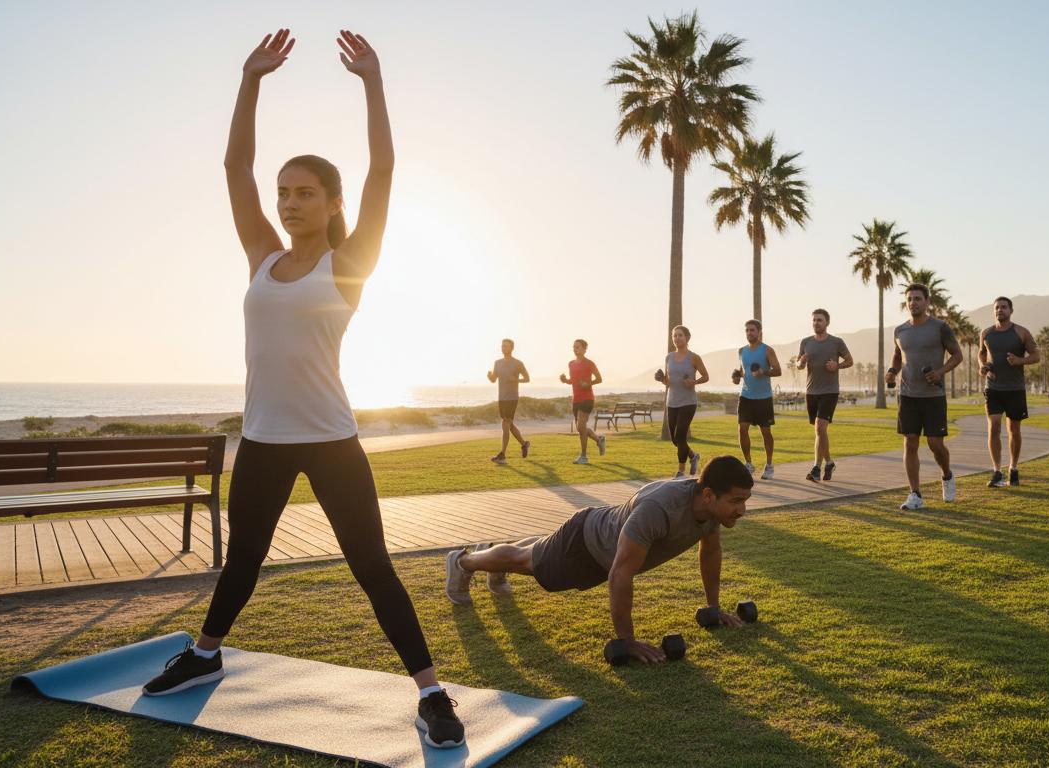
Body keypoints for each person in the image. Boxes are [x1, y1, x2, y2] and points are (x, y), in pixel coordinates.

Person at [140, 30, 465, 749]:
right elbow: (234, 165)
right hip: (262, 440)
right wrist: (250, 79)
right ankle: (204, 654)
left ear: (330, 202)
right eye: (283, 193)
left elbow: (384, 167)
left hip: (331, 441)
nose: (288, 203)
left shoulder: (350, 263)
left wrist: (372, 83)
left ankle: (432, 694)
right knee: (245, 559)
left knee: (372, 567)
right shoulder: (261, 255)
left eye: (303, 193)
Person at [445, 457, 754, 664]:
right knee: (527, 562)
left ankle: (492, 559)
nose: (741, 510)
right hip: (585, 543)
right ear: (709, 494)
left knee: (531, 555)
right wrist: (627, 641)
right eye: (736, 501)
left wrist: (714, 607)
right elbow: (620, 575)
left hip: (602, 547)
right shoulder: (659, 510)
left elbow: (710, 552)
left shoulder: (712, 512)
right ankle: (464, 562)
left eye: (745, 501)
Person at [885, 283, 963, 510]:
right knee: (910, 443)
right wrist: (892, 370)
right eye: (910, 299)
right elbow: (898, 356)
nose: (913, 303)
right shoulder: (900, 330)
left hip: (933, 395)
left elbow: (957, 355)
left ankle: (947, 476)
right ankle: (915, 494)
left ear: (927, 302)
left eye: (918, 299)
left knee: (935, 445)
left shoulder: (940, 328)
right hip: (908, 395)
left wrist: (939, 372)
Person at [978, 297, 1040, 488]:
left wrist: (1019, 361)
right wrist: (983, 366)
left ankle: (1013, 468)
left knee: (1014, 429)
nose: (1000, 310)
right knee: (994, 428)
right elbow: (981, 353)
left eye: (1004, 307)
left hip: (1014, 388)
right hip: (993, 387)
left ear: (1011, 311)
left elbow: (1036, 356)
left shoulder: (1021, 332)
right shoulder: (986, 333)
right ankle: (997, 471)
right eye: (997, 308)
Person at [794, 309, 853, 482]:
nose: (816, 323)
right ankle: (829, 462)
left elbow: (850, 361)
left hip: (830, 391)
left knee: (820, 428)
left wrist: (837, 366)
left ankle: (816, 468)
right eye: (813, 320)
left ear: (827, 323)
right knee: (821, 432)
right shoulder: (805, 342)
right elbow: (798, 365)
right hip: (811, 392)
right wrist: (801, 362)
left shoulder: (836, 342)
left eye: (819, 320)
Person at [660, 325, 710, 479]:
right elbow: (668, 381)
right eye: (674, 336)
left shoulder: (693, 357)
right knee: (675, 439)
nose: (676, 338)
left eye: (680, 335)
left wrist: (694, 382)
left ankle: (681, 471)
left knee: (680, 435)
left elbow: (706, 376)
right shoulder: (668, 357)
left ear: (687, 338)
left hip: (688, 402)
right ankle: (693, 456)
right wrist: (663, 379)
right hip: (672, 402)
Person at [735, 319, 781, 480]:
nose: (749, 333)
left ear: (759, 332)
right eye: (747, 330)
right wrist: (736, 377)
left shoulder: (767, 350)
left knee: (766, 432)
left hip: (764, 398)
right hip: (746, 396)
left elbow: (778, 370)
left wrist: (763, 372)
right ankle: (748, 464)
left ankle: (769, 465)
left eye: (752, 330)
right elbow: (743, 372)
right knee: (742, 429)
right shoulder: (741, 351)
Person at [560, 339, 606, 464]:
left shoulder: (589, 363)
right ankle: (599, 440)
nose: (575, 349)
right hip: (576, 399)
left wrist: (588, 384)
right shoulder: (571, 364)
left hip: (587, 398)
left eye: (578, 347)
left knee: (580, 427)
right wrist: (565, 380)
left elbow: (599, 379)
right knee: (581, 428)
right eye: (574, 347)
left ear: (585, 349)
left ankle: (584, 456)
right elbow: (572, 381)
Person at [487, 338, 530, 465]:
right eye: (502, 346)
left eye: (506, 346)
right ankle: (524, 444)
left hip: (512, 398)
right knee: (509, 425)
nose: (503, 348)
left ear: (512, 348)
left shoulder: (518, 363)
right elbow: (494, 379)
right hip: (501, 398)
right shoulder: (497, 363)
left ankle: (502, 454)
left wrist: (516, 380)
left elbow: (527, 379)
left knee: (505, 423)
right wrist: (489, 376)